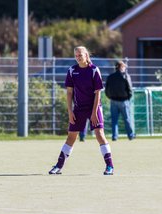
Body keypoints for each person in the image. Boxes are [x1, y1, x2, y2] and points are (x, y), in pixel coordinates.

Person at [49, 46, 114, 175]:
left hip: (94, 107)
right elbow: (69, 92)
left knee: (100, 135)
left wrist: (94, 112)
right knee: (71, 137)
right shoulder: (72, 71)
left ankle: (109, 166)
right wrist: (70, 111)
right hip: (79, 108)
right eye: (76, 55)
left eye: (80, 55)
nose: (78, 57)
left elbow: (98, 93)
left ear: (86, 55)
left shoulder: (94, 70)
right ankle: (58, 166)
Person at [105, 60, 135, 141]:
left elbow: (106, 89)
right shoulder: (125, 76)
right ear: (121, 67)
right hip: (124, 101)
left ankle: (115, 136)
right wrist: (128, 98)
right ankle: (131, 135)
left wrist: (110, 97)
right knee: (127, 119)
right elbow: (130, 89)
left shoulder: (110, 77)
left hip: (113, 101)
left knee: (114, 120)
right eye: (124, 67)